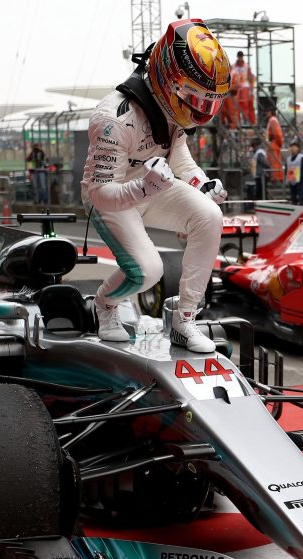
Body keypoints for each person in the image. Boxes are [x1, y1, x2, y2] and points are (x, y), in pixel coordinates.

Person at [80, 18, 230, 353]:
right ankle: (104, 305)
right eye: (197, 100)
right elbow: (100, 193)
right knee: (148, 271)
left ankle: (185, 320)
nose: (202, 112)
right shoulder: (113, 120)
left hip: (151, 186)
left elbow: (178, 155)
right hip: (109, 199)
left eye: (209, 104)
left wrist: (201, 183)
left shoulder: (170, 107)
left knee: (209, 216)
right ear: (169, 79)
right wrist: (145, 188)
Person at [230, 50, 256, 126]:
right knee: (235, 105)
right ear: (237, 57)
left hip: (245, 87)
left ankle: (246, 120)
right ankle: (237, 122)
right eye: (239, 57)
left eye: (241, 57)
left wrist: (251, 87)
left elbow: (251, 76)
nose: (240, 58)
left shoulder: (246, 66)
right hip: (236, 87)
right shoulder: (233, 66)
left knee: (244, 104)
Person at [265, 106, 283, 182]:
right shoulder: (272, 120)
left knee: (274, 162)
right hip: (273, 144)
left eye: (267, 111)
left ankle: (275, 178)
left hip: (273, 144)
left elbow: (277, 134)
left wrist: (279, 143)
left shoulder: (273, 120)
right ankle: (275, 177)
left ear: (270, 112)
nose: (265, 113)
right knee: (273, 162)